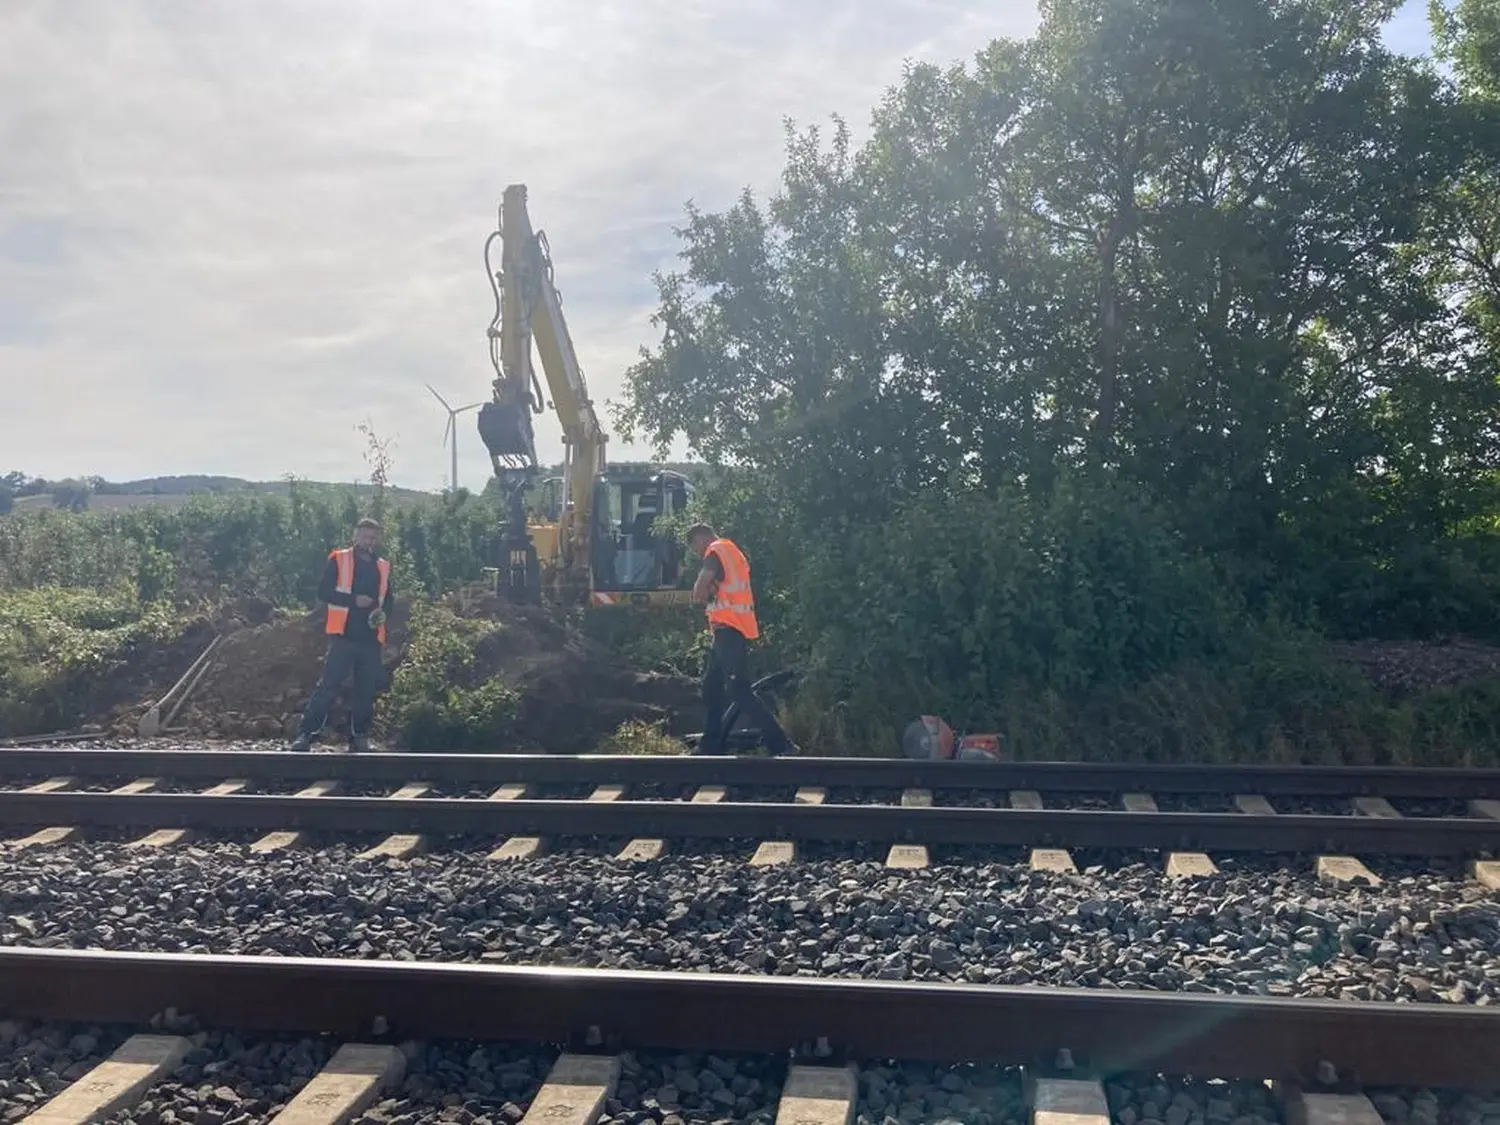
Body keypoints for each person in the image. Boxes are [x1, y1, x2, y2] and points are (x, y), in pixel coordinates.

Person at [687, 523, 795, 756]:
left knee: (741, 692)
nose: (697, 553)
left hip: (729, 631)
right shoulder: (732, 552)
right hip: (728, 631)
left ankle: (782, 745)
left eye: (695, 546)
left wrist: (702, 594)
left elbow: (699, 590)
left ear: (701, 537)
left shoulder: (715, 551)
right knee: (711, 688)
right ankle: (710, 746)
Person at [289, 518, 395, 752]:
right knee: (329, 685)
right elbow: (323, 592)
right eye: (365, 536)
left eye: (373, 537)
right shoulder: (340, 559)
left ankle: (359, 738)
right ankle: (306, 735)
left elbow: (388, 598)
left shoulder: (383, 566)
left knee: (365, 690)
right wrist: (353, 600)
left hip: (370, 638)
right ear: (355, 535)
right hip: (343, 635)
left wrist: (383, 613)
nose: (369, 541)